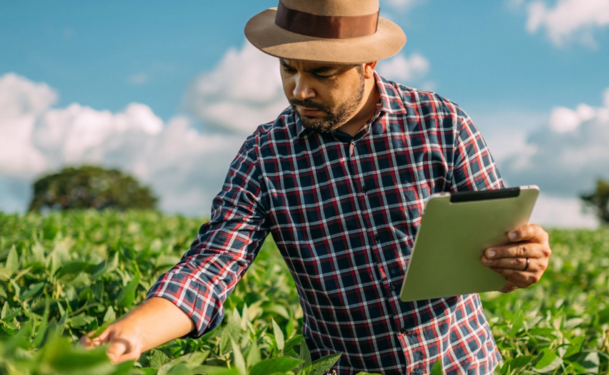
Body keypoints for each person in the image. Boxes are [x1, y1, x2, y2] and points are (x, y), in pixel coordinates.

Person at [80, 0, 553, 374]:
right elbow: (211, 265)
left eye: (321, 74)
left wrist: (520, 262)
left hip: (457, 365)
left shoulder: (442, 125)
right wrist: (133, 334)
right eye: (288, 69)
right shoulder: (264, 155)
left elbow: (499, 252)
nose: (299, 90)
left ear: (368, 63)